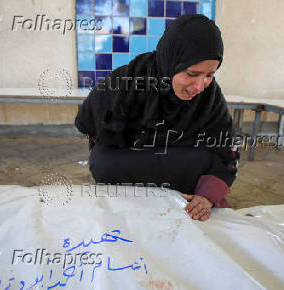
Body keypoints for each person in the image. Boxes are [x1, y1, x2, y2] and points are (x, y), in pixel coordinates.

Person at [75, 14, 239, 221]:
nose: (200, 86)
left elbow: (227, 155)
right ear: (171, 61)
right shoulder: (125, 84)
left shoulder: (210, 98)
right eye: (192, 73)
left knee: (209, 157)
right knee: (104, 159)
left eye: (209, 75)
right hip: (132, 169)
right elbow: (90, 125)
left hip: (184, 179)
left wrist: (207, 197)